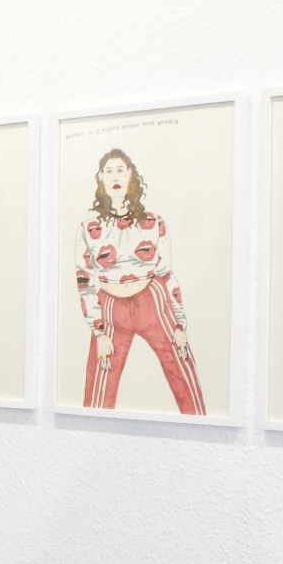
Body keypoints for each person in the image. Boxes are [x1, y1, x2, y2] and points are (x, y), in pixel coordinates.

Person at [74, 148, 204, 413]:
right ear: (101, 178)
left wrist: (180, 324)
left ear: (130, 175)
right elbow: (85, 282)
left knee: (181, 366)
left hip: (152, 301)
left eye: (120, 170)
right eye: (108, 171)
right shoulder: (88, 228)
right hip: (111, 308)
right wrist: (99, 332)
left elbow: (166, 274)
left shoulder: (154, 222)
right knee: (99, 389)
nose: (115, 177)